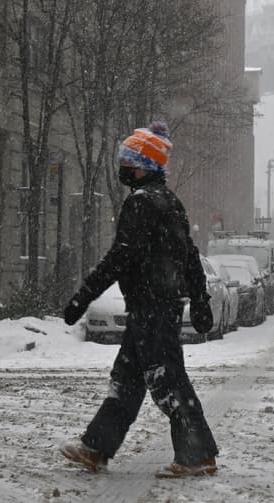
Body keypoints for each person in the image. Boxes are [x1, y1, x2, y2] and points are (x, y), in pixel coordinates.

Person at [59, 122, 219, 479]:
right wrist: (199, 298)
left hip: (151, 308)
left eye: (126, 162)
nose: (122, 168)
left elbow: (120, 257)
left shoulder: (142, 204)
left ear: (142, 165)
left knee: (167, 381)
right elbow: (190, 255)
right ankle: (96, 448)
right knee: (127, 381)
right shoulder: (169, 202)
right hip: (156, 307)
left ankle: (197, 455)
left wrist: (82, 298)